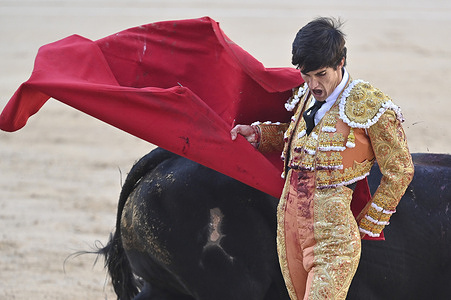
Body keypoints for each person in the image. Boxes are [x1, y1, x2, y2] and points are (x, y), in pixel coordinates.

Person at [230, 17, 414, 300]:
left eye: (320, 74)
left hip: (334, 241)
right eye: (306, 75)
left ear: (341, 62)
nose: (313, 84)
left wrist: (368, 222)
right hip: (290, 231)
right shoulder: (304, 95)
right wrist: (258, 134)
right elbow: (298, 141)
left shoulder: (370, 104)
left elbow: (400, 169)